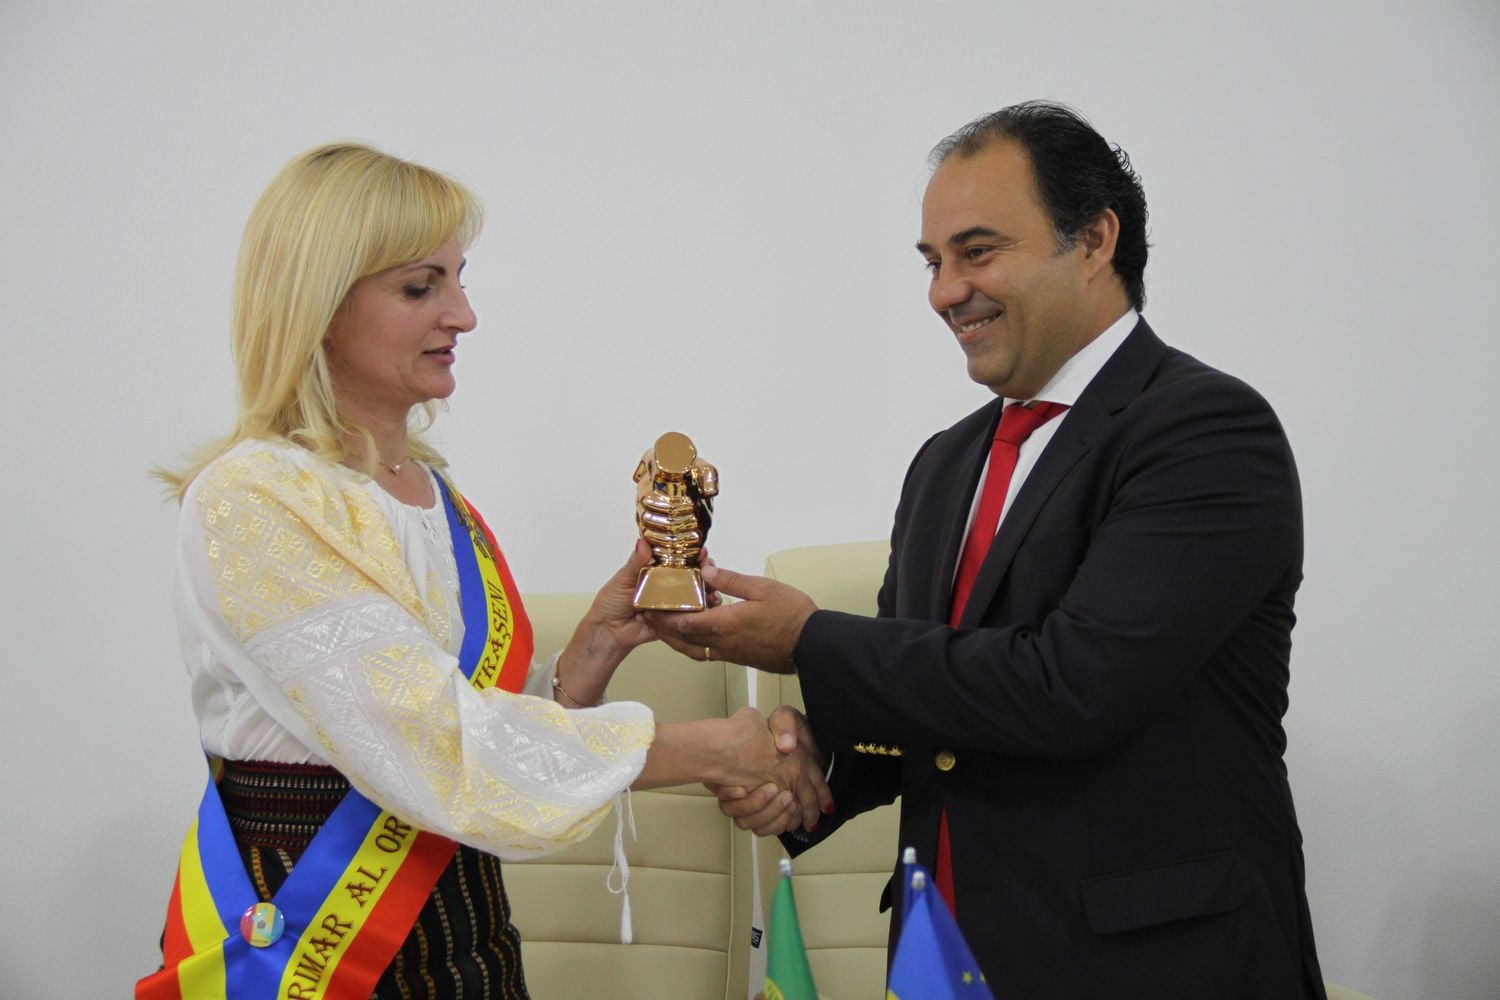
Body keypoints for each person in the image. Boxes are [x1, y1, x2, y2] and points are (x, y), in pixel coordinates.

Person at [649, 102, 1326, 998]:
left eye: (977, 252)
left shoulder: (1205, 429)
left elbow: (1072, 686)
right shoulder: (946, 463)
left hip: (1152, 969)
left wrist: (807, 640)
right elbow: (918, 711)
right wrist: (801, 774)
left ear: (1095, 240)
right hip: (944, 958)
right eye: (934, 262)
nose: (944, 292)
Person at [137, 142, 827, 1000]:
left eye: (459, 281)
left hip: (466, 920)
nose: (462, 315)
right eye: (419, 287)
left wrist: (596, 648)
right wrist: (716, 749)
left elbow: (472, 723)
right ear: (319, 303)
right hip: (312, 930)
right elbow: (436, 746)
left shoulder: (432, 493)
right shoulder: (255, 497)